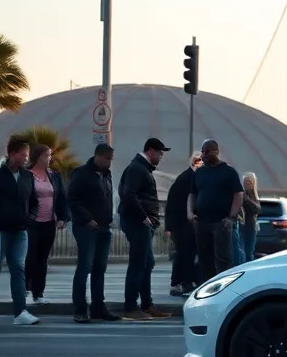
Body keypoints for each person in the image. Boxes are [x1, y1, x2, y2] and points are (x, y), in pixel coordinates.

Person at [0, 135, 41, 325]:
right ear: (13, 154)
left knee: (18, 270)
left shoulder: (27, 176)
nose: (27, 158)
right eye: (24, 154)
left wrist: (30, 219)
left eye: (27, 155)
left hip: (20, 232)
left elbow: (34, 202)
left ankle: (20, 312)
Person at [118, 138, 172, 320]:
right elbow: (128, 195)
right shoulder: (137, 169)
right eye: (160, 153)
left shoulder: (141, 169)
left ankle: (147, 304)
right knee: (138, 263)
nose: (161, 157)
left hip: (141, 222)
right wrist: (144, 217)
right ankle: (131, 307)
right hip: (137, 223)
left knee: (147, 263)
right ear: (151, 151)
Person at [67, 143, 121, 323]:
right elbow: (73, 199)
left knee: (100, 269)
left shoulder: (106, 175)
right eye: (107, 159)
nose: (109, 163)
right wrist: (87, 219)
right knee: (84, 267)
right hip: (86, 228)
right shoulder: (81, 174)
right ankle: (80, 309)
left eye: (111, 160)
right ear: (98, 156)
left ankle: (98, 307)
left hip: (104, 228)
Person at [189, 139, 244, 282]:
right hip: (201, 222)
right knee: (204, 259)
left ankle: (224, 289)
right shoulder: (199, 172)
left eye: (207, 152)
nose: (203, 155)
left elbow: (238, 195)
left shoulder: (229, 172)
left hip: (221, 222)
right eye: (202, 152)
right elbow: (193, 193)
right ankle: (207, 289)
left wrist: (231, 217)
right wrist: (190, 212)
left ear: (216, 152)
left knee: (222, 260)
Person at [24, 144, 69, 306]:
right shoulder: (26, 175)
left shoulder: (53, 175)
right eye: (47, 155)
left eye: (50, 155)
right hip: (31, 223)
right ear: (38, 157)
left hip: (48, 223)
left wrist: (63, 217)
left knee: (42, 259)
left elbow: (62, 197)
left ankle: (39, 293)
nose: (50, 158)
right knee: (30, 258)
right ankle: (23, 289)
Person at [164, 153, 202, 296]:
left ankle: (182, 282)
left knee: (186, 254)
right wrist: (169, 226)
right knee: (185, 254)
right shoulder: (187, 178)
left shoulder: (188, 177)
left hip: (185, 223)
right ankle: (182, 283)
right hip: (183, 224)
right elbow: (173, 203)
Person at [240, 172, 261, 263]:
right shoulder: (241, 194)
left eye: (249, 181)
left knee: (249, 253)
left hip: (250, 227)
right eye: (245, 181)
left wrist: (247, 199)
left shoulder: (253, 196)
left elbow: (257, 209)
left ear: (253, 183)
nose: (246, 184)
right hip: (241, 226)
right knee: (242, 252)